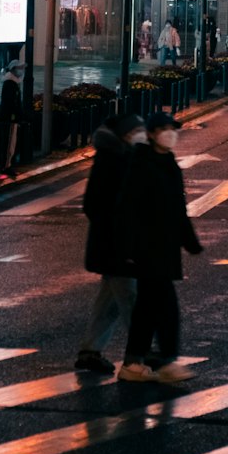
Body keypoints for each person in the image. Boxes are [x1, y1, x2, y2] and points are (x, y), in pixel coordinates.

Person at [116, 111, 202, 383]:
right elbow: (128, 209)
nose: (170, 133)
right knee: (164, 307)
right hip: (148, 248)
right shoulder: (142, 164)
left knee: (147, 308)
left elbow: (178, 209)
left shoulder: (169, 163)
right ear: (152, 134)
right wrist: (128, 248)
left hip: (164, 247)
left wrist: (190, 242)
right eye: (164, 129)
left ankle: (135, 362)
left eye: (173, 129)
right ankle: (165, 361)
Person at [75, 113, 146, 374]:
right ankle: (144, 357)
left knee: (111, 302)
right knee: (132, 301)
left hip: (119, 246)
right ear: (124, 134)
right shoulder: (111, 160)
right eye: (135, 130)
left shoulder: (126, 156)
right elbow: (93, 205)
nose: (140, 134)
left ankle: (90, 351)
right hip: (115, 247)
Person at [0, 61, 24, 174]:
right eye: (19, 68)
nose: (21, 70)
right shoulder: (10, 83)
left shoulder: (13, 82)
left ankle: (7, 164)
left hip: (10, 117)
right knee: (9, 142)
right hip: (9, 118)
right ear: (13, 69)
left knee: (10, 142)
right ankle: (6, 166)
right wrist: (14, 116)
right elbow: (10, 103)